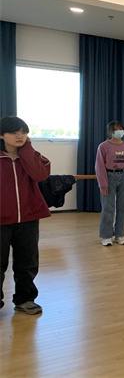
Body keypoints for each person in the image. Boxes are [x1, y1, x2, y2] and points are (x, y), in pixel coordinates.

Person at [0, 116, 51, 315]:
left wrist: (27, 150)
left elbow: (40, 175)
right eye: (14, 132)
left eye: (23, 132)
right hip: (1, 220)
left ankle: (25, 299)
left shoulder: (32, 156)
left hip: (28, 218)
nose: (19, 136)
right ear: (2, 135)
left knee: (27, 262)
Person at [95, 120, 124, 246]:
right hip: (109, 175)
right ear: (110, 131)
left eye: (121, 129)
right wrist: (103, 185)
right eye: (116, 129)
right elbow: (99, 166)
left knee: (123, 207)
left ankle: (120, 234)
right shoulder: (103, 146)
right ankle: (106, 236)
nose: (119, 131)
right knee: (108, 207)